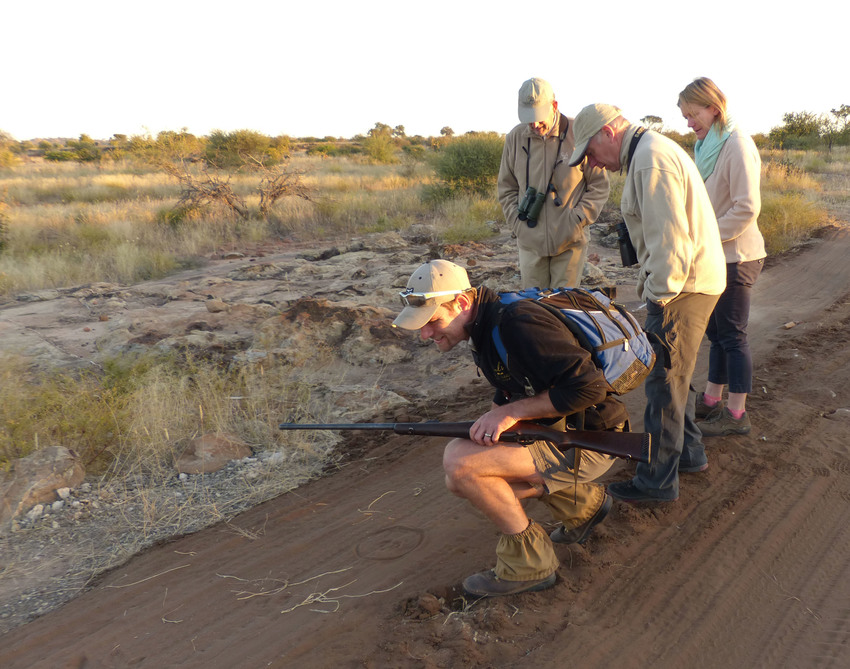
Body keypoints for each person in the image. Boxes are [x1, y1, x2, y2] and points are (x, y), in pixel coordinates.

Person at [392, 259, 629, 596]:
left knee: (460, 464)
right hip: (567, 432)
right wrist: (494, 423)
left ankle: (530, 566)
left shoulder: (518, 323)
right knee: (461, 475)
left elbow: (590, 388)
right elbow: (513, 385)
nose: (425, 333)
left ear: (460, 303)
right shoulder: (489, 322)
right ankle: (581, 506)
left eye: (432, 320)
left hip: (591, 439)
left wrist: (510, 414)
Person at [567, 104, 726, 503]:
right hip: (691, 284)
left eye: (589, 152)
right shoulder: (650, 152)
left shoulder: (650, 160)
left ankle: (656, 482)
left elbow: (671, 243)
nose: (591, 163)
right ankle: (688, 454)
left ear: (608, 132)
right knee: (674, 379)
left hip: (681, 290)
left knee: (662, 384)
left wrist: (657, 297)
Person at [678, 77, 766, 437]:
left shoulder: (737, 146)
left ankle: (736, 414)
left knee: (732, 335)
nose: (688, 122)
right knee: (715, 332)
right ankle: (712, 401)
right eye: (684, 116)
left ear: (713, 108)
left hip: (738, 255)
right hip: (715, 254)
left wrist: (704, 234)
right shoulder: (707, 147)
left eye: (692, 114)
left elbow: (747, 208)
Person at [498, 78, 610, 290]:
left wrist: (577, 219)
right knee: (534, 309)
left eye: (539, 117)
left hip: (570, 243)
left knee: (563, 309)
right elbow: (506, 188)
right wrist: (517, 224)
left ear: (554, 106)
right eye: (528, 118)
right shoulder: (515, 138)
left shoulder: (579, 132)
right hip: (530, 243)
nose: (535, 124)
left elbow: (599, 186)